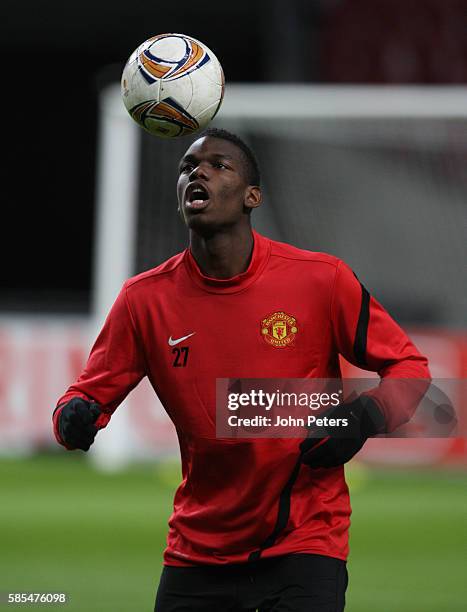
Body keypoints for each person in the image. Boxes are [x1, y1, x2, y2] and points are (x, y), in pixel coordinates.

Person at [52, 127, 430, 611]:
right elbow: (81, 399)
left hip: (304, 545)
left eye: (218, 165)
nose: (198, 172)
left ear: (253, 196)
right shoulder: (143, 300)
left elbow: (409, 367)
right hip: (197, 551)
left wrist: (362, 418)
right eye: (188, 166)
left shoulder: (321, 280)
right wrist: (74, 418)